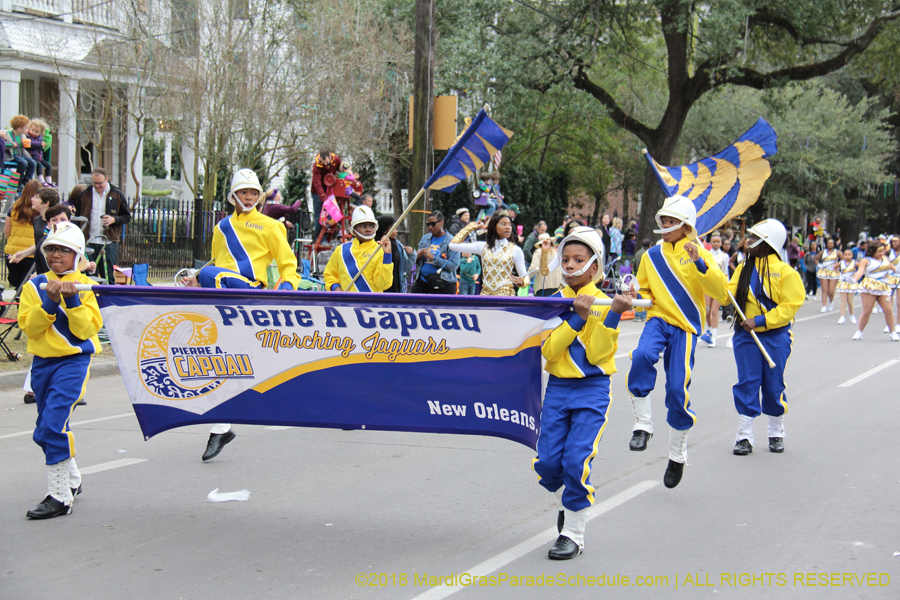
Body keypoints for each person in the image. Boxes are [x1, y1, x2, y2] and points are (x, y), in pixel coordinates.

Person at [533, 226, 631, 560]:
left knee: (577, 460)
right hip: (558, 388)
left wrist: (613, 314)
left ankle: (573, 532)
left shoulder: (605, 302)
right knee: (547, 463)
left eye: (579, 259)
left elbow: (598, 355)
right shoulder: (552, 304)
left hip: (592, 390)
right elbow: (549, 352)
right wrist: (575, 318)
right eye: (566, 259)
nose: (571, 265)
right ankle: (568, 498)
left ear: (594, 267)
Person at [195, 169, 302, 461]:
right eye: (244, 192)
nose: (249, 197)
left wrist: (288, 287)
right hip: (223, 295)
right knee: (221, 360)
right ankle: (221, 427)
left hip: (251, 292)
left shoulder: (270, 226)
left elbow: (287, 264)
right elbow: (219, 262)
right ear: (233, 195)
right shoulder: (222, 227)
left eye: (254, 193)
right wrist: (196, 277)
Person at [626, 196, 727, 488]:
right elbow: (644, 290)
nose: (665, 226)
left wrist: (699, 263)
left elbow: (719, 290)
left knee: (676, 388)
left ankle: (677, 454)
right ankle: (643, 425)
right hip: (658, 319)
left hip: (685, 327)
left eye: (671, 222)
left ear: (686, 226)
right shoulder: (651, 256)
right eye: (664, 221)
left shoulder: (700, 252)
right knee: (641, 357)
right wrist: (635, 295)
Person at [19, 222, 101, 519]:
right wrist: (49, 302)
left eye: (64, 250)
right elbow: (30, 329)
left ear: (77, 254)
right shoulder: (34, 285)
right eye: (51, 248)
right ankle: (73, 480)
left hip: (74, 361)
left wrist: (72, 298)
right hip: (42, 362)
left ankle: (59, 496)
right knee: (44, 430)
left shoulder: (86, 285)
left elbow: (87, 330)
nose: (56, 255)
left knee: (53, 425)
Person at [723, 220, 803, 456]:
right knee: (748, 381)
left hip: (775, 336)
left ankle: (776, 431)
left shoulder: (787, 273)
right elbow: (727, 295)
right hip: (746, 336)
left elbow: (789, 307)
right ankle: (744, 436)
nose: (747, 241)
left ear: (768, 243)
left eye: (754, 237)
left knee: (773, 384)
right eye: (749, 236)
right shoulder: (743, 268)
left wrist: (758, 321)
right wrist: (707, 271)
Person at [70, 168, 131, 285]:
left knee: (107, 275)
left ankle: (108, 299)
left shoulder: (117, 194)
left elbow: (127, 216)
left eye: (100, 183)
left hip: (107, 241)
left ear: (106, 180)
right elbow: (77, 217)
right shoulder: (85, 194)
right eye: (94, 183)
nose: (97, 186)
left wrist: (114, 219)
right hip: (89, 240)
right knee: (88, 275)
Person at [449, 210, 528, 296]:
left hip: (506, 298)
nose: (508, 227)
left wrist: (523, 282)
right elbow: (452, 245)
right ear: (494, 226)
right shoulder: (483, 247)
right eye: (503, 224)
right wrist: (469, 228)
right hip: (486, 297)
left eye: (509, 225)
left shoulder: (516, 250)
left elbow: (525, 276)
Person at [324, 205, 393, 292]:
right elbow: (329, 275)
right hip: (345, 303)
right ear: (354, 229)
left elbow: (384, 284)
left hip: (371, 303)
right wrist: (336, 288)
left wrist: (387, 256)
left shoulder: (380, 250)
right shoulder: (341, 250)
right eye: (363, 226)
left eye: (372, 226)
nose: (368, 230)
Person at [850, 240, 899, 341]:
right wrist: (854, 280)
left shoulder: (885, 259)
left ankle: (893, 332)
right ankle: (859, 331)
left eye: (882, 251)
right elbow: (860, 271)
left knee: (888, 311)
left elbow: (894, 268)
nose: (881, 253)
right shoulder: (866, 260)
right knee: (867, 311)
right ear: (872, 251)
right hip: (869, 287)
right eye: (879, 251)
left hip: (884, 287)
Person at [410, 211, 460, 295]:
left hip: (443, 284)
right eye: (428, 224)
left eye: (433, 224)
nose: (430, 227)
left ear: (441, 222)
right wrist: (417, 257)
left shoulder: (452, 241)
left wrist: (433, 257)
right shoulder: (425, 238)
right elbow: (417, 262)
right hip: (423, 281)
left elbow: (454, 266)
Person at [4, 180, 40, 289]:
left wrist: (12, 241)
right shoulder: (39, 212)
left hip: (13, 252)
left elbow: (7, 230)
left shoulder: (14, 209)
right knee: (29, 287)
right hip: (31, 252)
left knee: (18, 285)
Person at [699, 232, 730, 348]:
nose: (716, 244)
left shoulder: (725, 256)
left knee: (714, 311)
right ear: (710, 243)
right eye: (714, 241)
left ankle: (714, 337)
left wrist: (727, 286)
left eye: (718, 242)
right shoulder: (707, 255)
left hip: (719, 286)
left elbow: (726, 272)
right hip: (708, 286)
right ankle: (710, 330)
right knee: (706, 311)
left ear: (721, 243)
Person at [376, 215, 412, 293]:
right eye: (393, 228)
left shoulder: (398, 245)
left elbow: (406, 266)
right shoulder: (378, 246)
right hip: (385, 286)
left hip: (397, 284)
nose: (396, 231)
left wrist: (412, 254)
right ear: (384, 230)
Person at [311, 150, 340, 240]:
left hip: (330, 190)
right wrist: (323, 197)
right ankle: (319, 239)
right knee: (319, 216)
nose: (326, 164)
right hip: (318, 193)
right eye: (324, 163)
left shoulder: (336, 160)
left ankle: (331, 235)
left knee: (333, 212)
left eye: (327, 162)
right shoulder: (317, 166)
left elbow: (340, 168)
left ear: (329, 157)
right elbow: (317, 183)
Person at [4, 115, 36, 187]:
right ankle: (18, 181)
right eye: (26, 128)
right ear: (19, 129)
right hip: (12, 155)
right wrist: (12, 144)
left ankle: (26, 179)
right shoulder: (8, 135)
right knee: (23, 163)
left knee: (33, 162)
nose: (27, 129)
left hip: (20, 155)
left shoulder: (23, 136)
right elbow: (4, 144)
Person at [26, 119, 54, 187]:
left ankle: (49, 180)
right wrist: (40, 144)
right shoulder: (27, 136)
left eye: (37, 132)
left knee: (48, 165)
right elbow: (30, 143)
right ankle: (41, 180)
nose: (34, 133)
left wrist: (43, 145)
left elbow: (42, 145)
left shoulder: (40, 138)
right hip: (32, 157)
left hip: (39, 157)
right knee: (38, 164)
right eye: (32, 130)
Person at [816, 238, 840, 313]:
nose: (830, 244)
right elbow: (816, 259)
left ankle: (831, 302)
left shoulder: (837, 252)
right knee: (824, 290)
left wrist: (838, 265)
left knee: (831, 290)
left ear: (834, 244)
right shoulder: (823, 252)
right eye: (829, 243)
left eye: (831, 243)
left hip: (833, 271)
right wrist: (819, 265)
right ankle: (824, 305)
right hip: (824, 271)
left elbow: (843, 259)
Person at [836, 249, 858, 325]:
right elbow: (835, 268)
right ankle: (842, 317)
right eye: (846, 254)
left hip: (851, 283)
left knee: (850, 301)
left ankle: (852, 315)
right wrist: (839, 274)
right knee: (843, 300)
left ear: (852, 255)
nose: (847, 256)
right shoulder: (841, 262)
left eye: (849, 254)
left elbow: (861, 268)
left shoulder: (854, 263)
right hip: (843, 282)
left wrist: (855, 276)